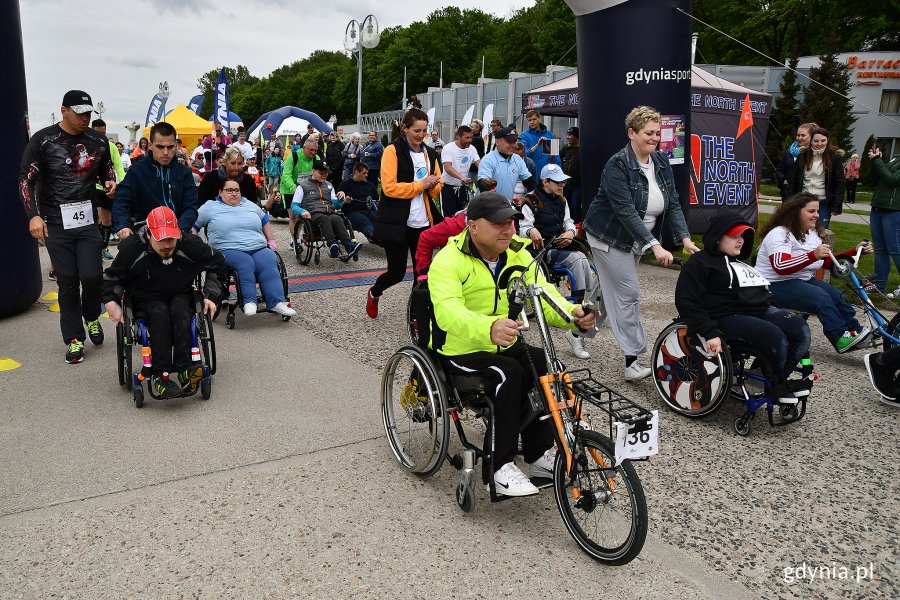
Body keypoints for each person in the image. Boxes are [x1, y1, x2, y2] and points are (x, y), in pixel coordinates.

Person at [428, 192, 596, 496]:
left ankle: (538, 454)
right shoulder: (448, 260)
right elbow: (448, 313)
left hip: (502, 339)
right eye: (498, 224)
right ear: (473, 226)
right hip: (460, 346)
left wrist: (572, 314)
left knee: (542, 366)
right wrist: (488, 327)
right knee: (509, 373)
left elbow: (543, 293)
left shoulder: (518, 253)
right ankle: (499, 466)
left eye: (511, 222)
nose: (507, 229)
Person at [582, 105, 700, 381]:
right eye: (649, 133)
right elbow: (625, 212)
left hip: (635, 238)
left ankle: (579, 330)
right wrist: (653, 245)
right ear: (632, 133)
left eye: (658, 133)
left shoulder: (661, 162)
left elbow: (672, 205)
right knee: (628, 294)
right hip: (608, 237)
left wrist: (684, 238)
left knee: (607, 293)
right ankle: (632, 360)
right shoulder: (617, 165)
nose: (655, 138)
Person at [19, 89, 117, 363]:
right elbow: (24, 180)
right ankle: (74, 337)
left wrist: (110, 182)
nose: (85, 118)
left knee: (92, 276)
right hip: (55, 222)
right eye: (79, 113)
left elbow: (106, 168)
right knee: (68, 281)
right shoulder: (43, 140)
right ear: (64, 110)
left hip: (86, 220)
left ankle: (92, 316)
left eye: (88, 113)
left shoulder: (98, 141)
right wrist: (32, 215)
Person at [675, 212, 812, 403]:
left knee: (800, 330)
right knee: (775, 336)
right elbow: (686, 300)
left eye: (742, 236)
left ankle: (764, 377)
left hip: (756, 310)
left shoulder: (740, 263)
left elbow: (761, 294)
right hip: (723, 315)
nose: (740, 241)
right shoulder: (699, 263)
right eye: (734, 236)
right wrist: (709, 331)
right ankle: (776, 384)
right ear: (717, 238)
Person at [102, 206, 227, 398]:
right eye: (161, 240)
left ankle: (185, 368)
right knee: (159, 314)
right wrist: (111, 302)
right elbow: (111, 278)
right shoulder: (132, 248)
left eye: (171, 238)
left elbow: (218, 264)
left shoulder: (189, 244)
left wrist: (211, 296)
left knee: (180, 310)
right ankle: (161, 375)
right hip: (145, 297)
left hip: (180, 293)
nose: (167, 245)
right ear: (149, 234)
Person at [755, 192, 871, 353]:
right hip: (772, 284)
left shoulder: (813, 233)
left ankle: (855, 332)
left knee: (835, 294)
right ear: (795, 212)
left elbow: (826, 260)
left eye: (817, 211)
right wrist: (813, 255)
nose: (817, 215)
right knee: (821, 298)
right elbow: (780, 266)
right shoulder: (780, 233)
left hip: (798, 280)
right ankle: (839, 337)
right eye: (811, 211)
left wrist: (855, 252)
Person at [366, 108, 443, 318]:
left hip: (422, 222)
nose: (421, 135)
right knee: (397, 272)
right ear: (405, 129)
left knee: (422, 273)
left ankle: (417, 316)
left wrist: (434, 185)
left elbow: (437, 183)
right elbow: (389, 188)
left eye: (424, 131)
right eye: (416, 130)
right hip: (397, 222)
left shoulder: (430, 153)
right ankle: (374, 292)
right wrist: (420, 185)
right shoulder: (392, 151)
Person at [518, 163, 596, 359]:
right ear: (545, 182)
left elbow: (569, 222)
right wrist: (530, 230)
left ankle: (583, 304)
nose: (562, 185)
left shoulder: (562, 200)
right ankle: (579, 309)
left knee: (586, 261)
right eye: (558, 181)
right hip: (539, 251)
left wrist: (571, 231)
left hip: (557, 247)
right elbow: (522, 228)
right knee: (579, 259)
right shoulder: (530, 201)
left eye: (564, 181)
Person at [194, 179, 295, 317]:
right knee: (244, 262)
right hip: (228, 249)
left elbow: (264, 220)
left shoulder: (249, 204)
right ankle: (249, 302)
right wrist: (197, 246)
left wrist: (271, 241)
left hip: (257, 247)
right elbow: (193, 225)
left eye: (237, 190)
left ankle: (277, 302)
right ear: (220, 192)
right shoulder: (210, 207)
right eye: (229, 190)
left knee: (269, 259)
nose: (234, 193)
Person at [113, 122, 199, 238]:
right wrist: (123, 225)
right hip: (144, 233)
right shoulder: (137, 171)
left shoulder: (185, 173)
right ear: (150, 145)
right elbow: (121, 200)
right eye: (160, 147)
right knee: (125, 255)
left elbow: (191, 206)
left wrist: (180, 229)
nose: (165, 152)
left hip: (179, 232)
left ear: (176, 145)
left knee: (211, 255)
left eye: (170, 147)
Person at [291, 160, 362, 259]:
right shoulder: (302, 186)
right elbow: (294, 206)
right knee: (325, 219)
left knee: (337, 219)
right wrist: (302, 211)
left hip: (329, 212)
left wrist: (343, 200)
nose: (324, 175)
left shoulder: (329, 186)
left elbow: (336, 205)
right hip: (313, 213)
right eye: (321, 173)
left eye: (326, 173)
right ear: (313, 171)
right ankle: (332, 244)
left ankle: (349, 246)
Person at [787, 127, 844, 229]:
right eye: (816, 141)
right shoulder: (803, 155)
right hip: (803, 200)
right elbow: (793, 179)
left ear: (828, 141)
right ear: (811, 141)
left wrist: (837, 205)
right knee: (799, 230)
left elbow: (840, 183)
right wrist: (790, 201)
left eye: (823, 141)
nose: (819, 144)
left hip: (823, 202)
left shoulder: (835, 158)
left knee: (820, 231)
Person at [91, 118, 126, 261]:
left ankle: (103, 246)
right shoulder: (85, 145)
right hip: (91, 189)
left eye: (103, 133)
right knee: (97, 219)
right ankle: (95, 250)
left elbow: (118, 166)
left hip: (107, 188)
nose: (101, 137)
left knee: (107, 221)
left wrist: (123, 186)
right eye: (98, 133)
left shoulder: (111, 146)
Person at [867, 144, 900, 291]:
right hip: (878, 208)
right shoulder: (896, 159)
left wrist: (877, 161)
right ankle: (880, 285)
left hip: (894, 210)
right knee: (880, 249)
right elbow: (874, 179)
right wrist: (876, 160)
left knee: (895, 249)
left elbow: (892, 179)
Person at [477, 124, 533, 201]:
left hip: (506, 205)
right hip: (487, 205)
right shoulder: (488, 159)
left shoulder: (518, 159)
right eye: (509, 141)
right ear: (497, 142)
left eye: (514, 141)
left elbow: (529, 182)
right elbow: (483, 185)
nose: (513, 145)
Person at [280, 139, 322, 235]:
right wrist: (294, 189)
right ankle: (295, 241)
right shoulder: (293, 156)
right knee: (294, 216)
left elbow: (320, 174)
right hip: (290, 189)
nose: (313, 153)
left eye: (315, 151)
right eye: (311, 150)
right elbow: (286, 175)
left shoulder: (316, 158)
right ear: (304, 147)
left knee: (306, 213)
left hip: (306, 189)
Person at [440, 125, 480, 216]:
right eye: (467, 138)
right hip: (447, 188)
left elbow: (479, 164)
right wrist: (462, 177)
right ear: (458, 136)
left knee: (462, 216)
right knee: (449, 218)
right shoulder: (448, 148)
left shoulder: (472, 149)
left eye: (471, 137)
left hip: (462, 189)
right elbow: (448, 168)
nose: (470, 140)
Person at [337, 162, 379, 242]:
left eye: (367, 173)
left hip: (369, 210)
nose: (366, 175)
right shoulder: (345, 185)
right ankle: (375, 237)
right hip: (352, 212)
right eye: (364, 173)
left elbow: (376, 200)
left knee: (380, 221)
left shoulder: (370, 185)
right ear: (356, 172)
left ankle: (388, 238)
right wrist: (345, 201)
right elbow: (338, 203)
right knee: (365, 222)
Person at [776, 123, 817, 201]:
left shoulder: (816, 154)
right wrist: (784, 180)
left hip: (807, 193)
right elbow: (779, 170)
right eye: (798, 135)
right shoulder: (789, 152)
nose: (799, 138)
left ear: (811, 136)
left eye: (803, 135)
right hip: (789, 193)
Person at [519, 109, 556, 175]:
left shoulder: (550, 134)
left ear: (539, 119)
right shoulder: (523, 136)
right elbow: (523, 154)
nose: (531, 122)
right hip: (530, 174)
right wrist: (537, 145)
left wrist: (557, 172)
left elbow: (555, 155)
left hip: (547, 174)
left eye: (534, 119)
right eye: (529, 120)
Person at [560, 126, 582, 222]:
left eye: (570, 135)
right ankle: (567, 224)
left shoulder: (582, 148)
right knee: (566, 205)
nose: (567, 137)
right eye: (567, 135)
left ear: (576, 136)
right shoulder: (565, 148)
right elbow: (558, 157)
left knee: (575, 204)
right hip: (566, 183)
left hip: (577, 183)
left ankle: (577, 226)